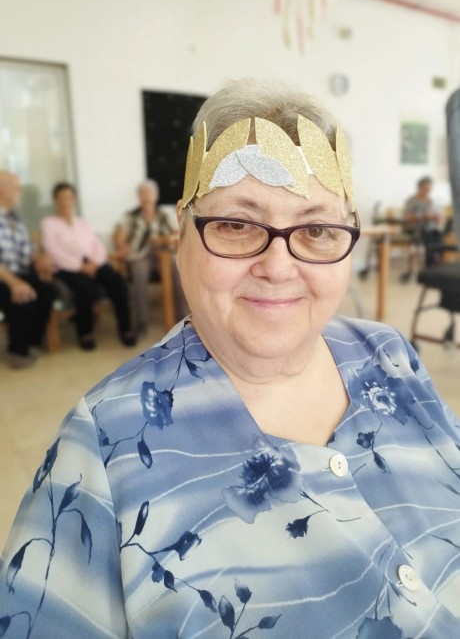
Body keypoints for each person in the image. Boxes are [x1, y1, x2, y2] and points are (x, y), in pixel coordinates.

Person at [1, 80, 460, 638]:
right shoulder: (103, 444)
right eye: (237, 225)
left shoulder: (390, 355)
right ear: (182, 235)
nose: (279, 267)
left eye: (317, 228)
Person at [40, 182, 136, 350]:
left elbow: (97, 245)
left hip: (92, 262)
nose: (66, 202)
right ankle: (85, 333)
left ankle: (126, 329)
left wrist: (94, 263)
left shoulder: (82, 222)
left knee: (117, 282)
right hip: (65, 267)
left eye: (69, 198)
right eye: (61, 198)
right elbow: (53, 250)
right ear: (56, 201)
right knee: (86, 289)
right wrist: (79, 266)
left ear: (74, 200)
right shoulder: (49, 223)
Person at [0, 170, 56, 368]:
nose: (20, 192)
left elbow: (27, 248)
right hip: (3, 277)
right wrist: (14, 282)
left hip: (20, 272)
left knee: (47, 291)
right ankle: (17, 352)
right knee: (23, 297)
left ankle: (31, 342)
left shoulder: (15, 217)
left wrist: (39, 257)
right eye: (16, 188)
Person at [113, 179, 181, 335]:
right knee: (139, 273)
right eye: (144, 193)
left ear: (157, 195)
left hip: (164, 253)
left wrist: (167, 242)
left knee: (178, 268)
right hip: (140, 254)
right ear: (138, 196)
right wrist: (122, 246)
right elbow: (120, 239)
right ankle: (141, 321)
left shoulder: (166, 213)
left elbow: (178, 233)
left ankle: (182, 317)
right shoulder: (130, 216)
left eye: (150, 192)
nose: (147, 196)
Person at [400, 176, 443, 281]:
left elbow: (438, 217)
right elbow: (407, 217)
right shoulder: (412, 200)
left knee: (438, 237)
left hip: (430, 230)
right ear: (420, 188)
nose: (428, 191)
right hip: (415, 229)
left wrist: (436, 217)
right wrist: (422, 216)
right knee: (425, 239)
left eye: (429, 189)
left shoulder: (431, 201)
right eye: (426, 189)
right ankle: (423, 269)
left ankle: (434, 267)